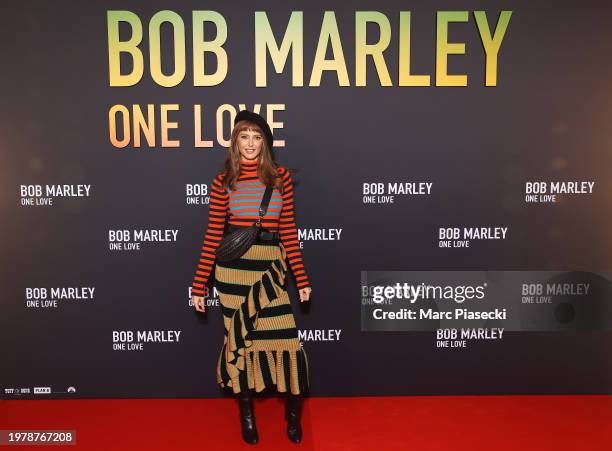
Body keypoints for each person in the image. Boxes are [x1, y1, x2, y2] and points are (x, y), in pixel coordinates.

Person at [190, 110, 312, 444]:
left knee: (287, 341)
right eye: (244, 136)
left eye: (257, 137)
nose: (250, 143)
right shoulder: (223, 181)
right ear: (235, 141)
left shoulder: (280, 178)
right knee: (239, 345)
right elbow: (213, 235)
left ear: (265, 142)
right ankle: (246, 414)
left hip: (270, 269)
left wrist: (300, 279)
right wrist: (199, 285)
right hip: (232, 275)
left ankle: (292, 412)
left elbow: (288, 231)